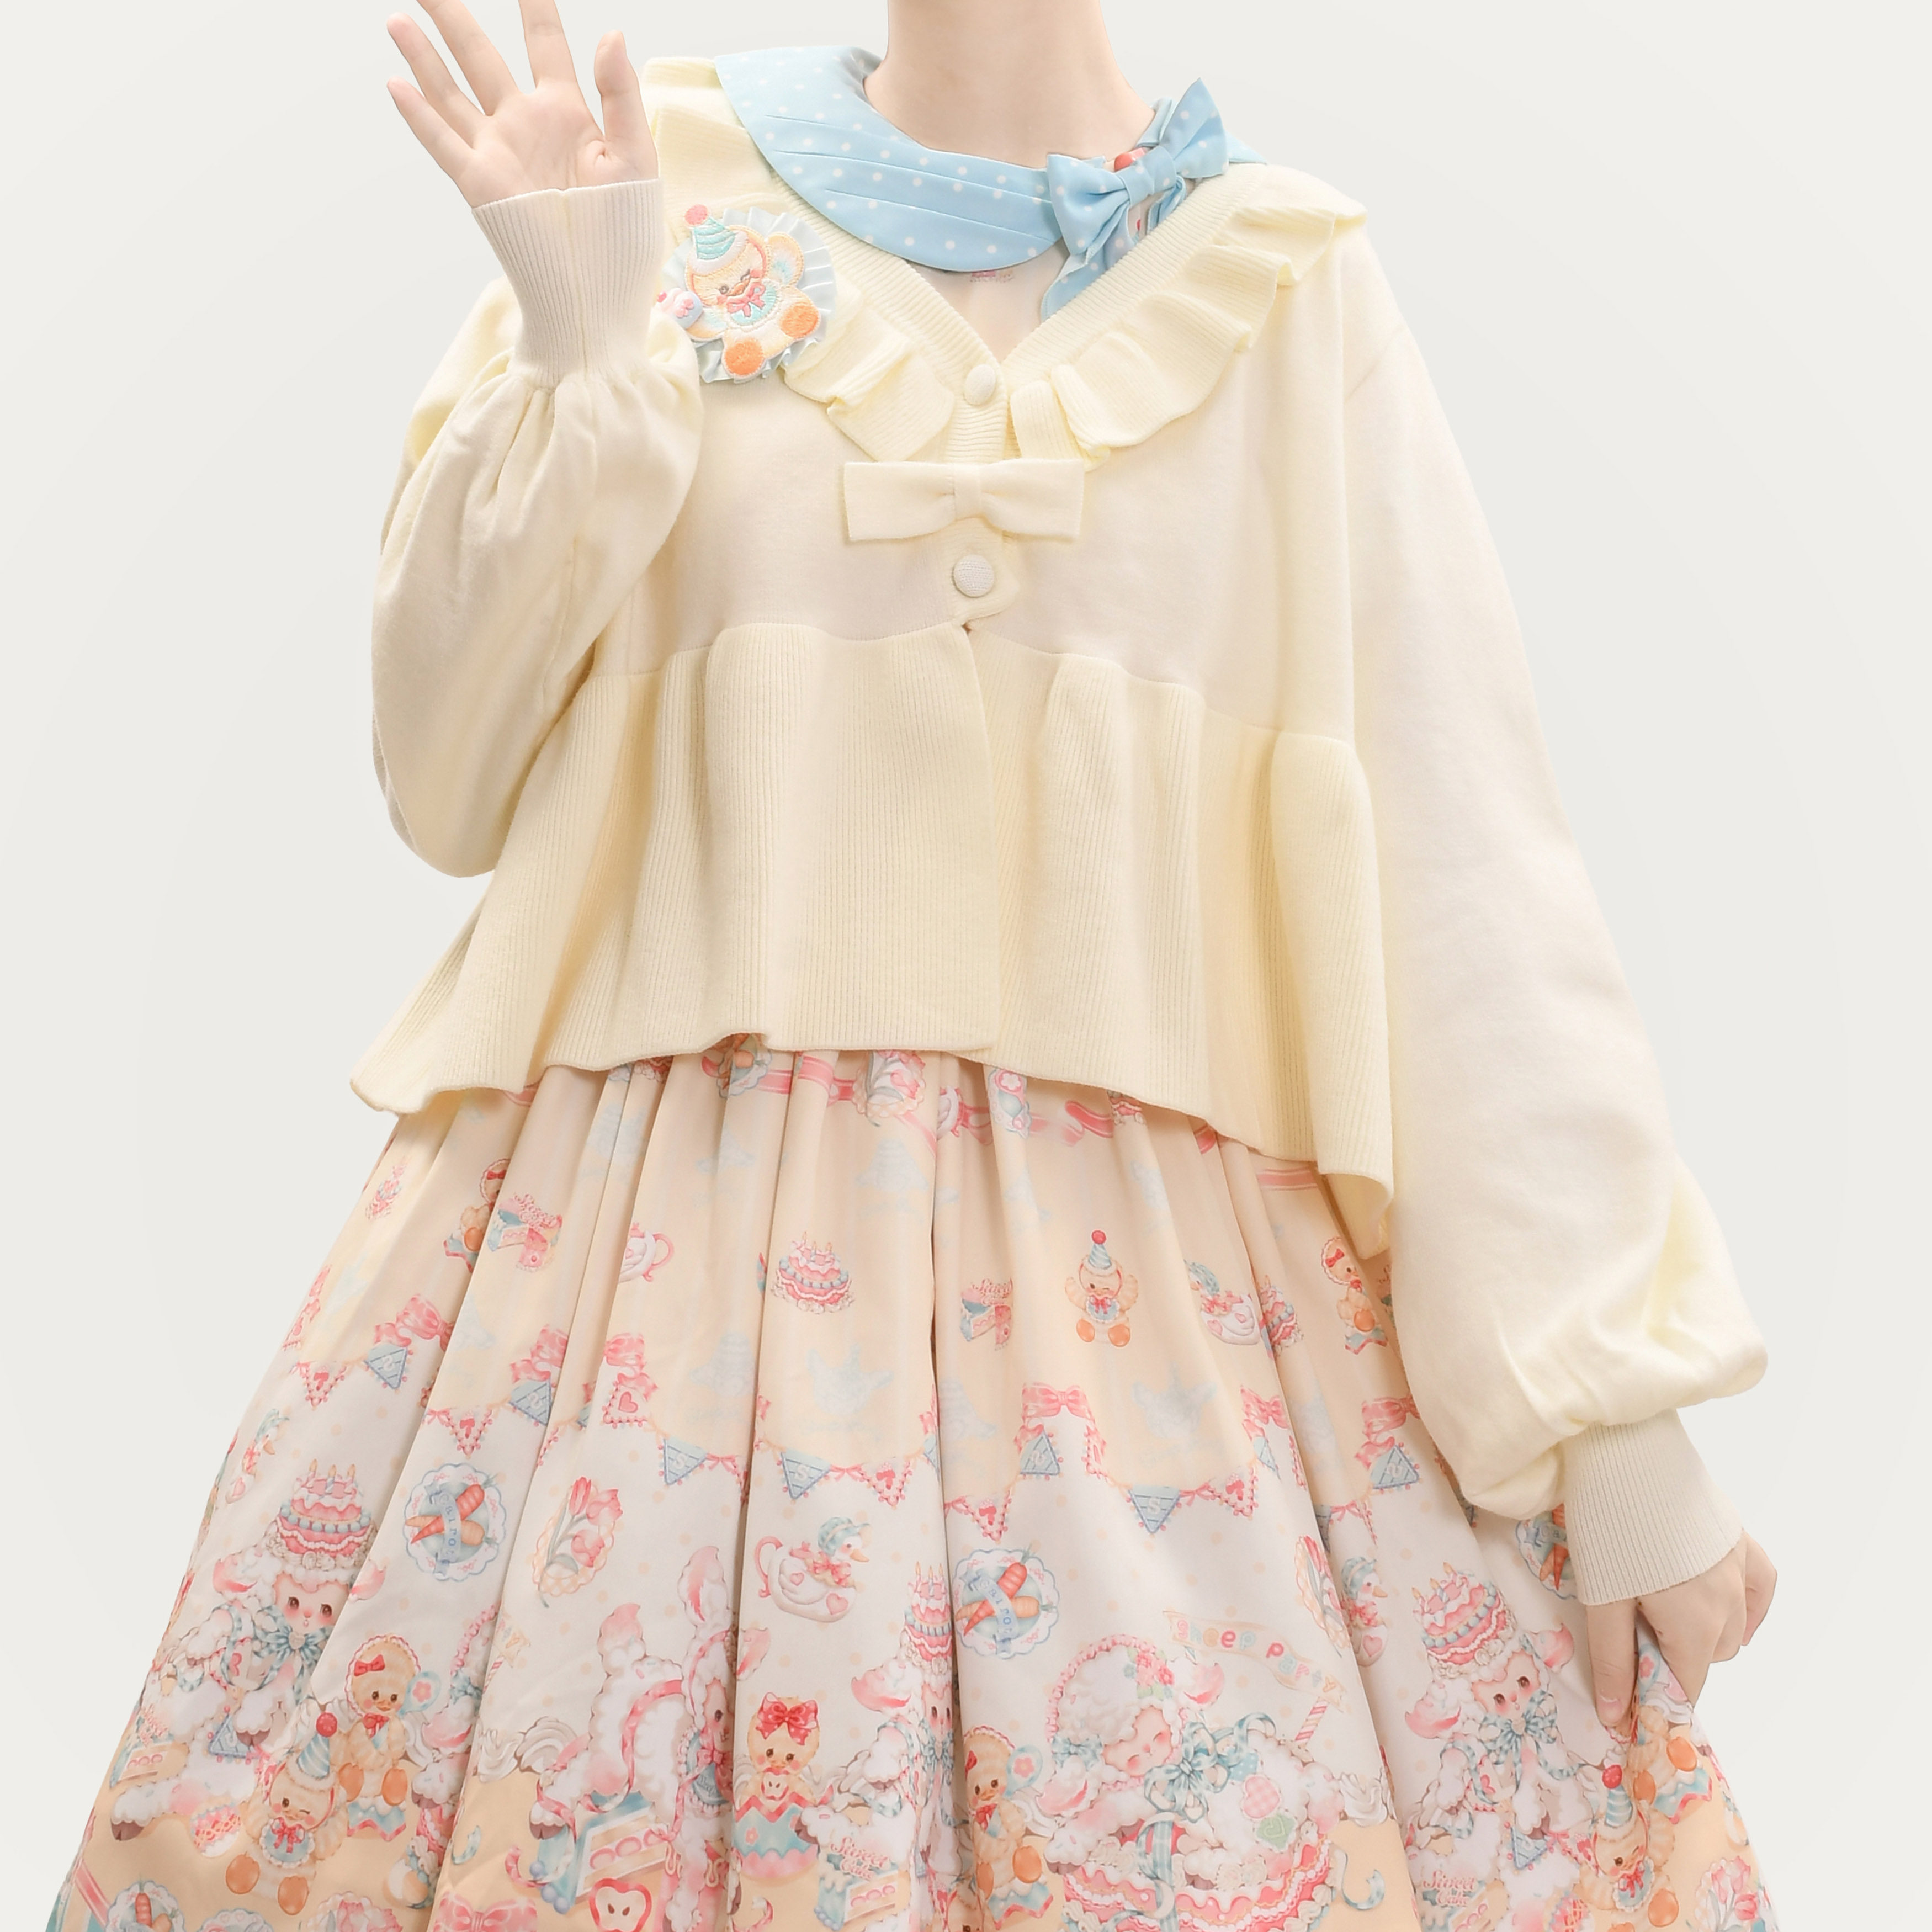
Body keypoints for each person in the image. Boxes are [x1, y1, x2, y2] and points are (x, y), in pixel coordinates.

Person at [51, 2, 1781, 1927]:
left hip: (1166, 1359)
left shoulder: (1291, 288)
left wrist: (1609, 1419)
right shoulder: (646, 189)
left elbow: (1462, 864)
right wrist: (584, 346)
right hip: (623, 1321)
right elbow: (440, 774)